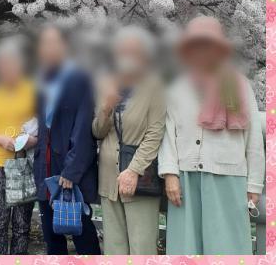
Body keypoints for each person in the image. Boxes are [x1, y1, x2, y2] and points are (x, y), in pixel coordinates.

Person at [158, 15, 263, 254]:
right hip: (185, 179)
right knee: (186, 247)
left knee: (227, 245)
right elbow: (168, 133)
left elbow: (254, 139)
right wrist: (170, 175)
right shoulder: (176, 87)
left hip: (228, 176)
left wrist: (254, 185)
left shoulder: (240, 85)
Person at [92, 26, 166, 254]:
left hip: (140, 178)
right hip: (108, 177)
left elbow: (155, 133)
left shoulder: (154, 84)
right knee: (114, 249)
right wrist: (105, 108)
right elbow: (97, 132)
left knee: (141, 248)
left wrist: (133, 171)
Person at [33, 23, 101, 254]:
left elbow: (83, 129)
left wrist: (71, 172)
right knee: (52, 237)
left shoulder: (80, 78)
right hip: (46, 167)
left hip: (69, 170)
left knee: (81, 232)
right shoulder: (43, 78)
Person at [0, 38, 37, 254]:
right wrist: (0, 139)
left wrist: (34, 141)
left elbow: (43, 126)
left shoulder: (32, 90)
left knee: (22, 226)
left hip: (24, 164)